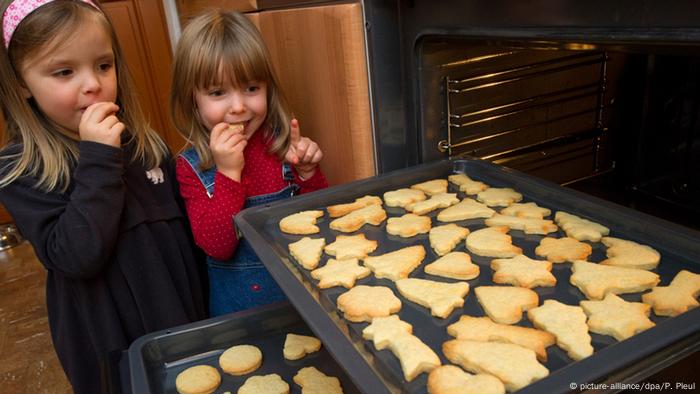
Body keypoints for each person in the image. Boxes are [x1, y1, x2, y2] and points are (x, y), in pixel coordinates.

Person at [0, 1, 206, 392]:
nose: (92, 83)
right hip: (109, 341)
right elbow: (75, 255)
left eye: (103, 65)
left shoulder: (147, 147)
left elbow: (187, 236)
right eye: (64, 71)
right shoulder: (20, 170)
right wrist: (98, 159)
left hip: (177, 315)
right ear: (21, 83)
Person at [170, 9, 327, 317]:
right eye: (218, 92)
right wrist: (228, 172)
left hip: (301, 306)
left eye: (251, 88)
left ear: (268, 88)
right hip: (241, 317)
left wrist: (308, 174)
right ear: (193, 100)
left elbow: (316, 223)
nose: (239, 106)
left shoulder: (281, 145)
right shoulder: (192, 167)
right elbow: (218, 245)